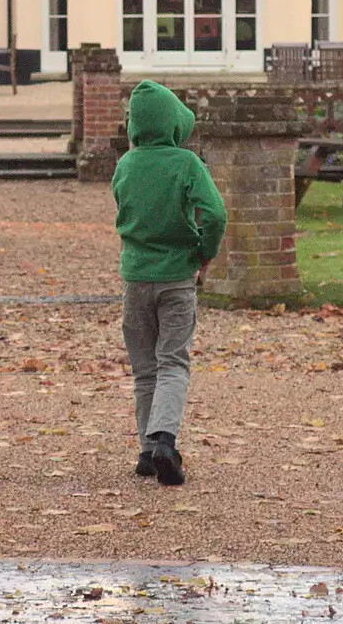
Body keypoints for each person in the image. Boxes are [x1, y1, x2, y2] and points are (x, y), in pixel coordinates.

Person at [111, 80, 226, 486]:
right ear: (175, 122)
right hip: (177, 277)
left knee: (144, 368)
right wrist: (202, 252)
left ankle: (145, 449)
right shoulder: (186, 163)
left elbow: (122, 208)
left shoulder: (126, 164)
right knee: (173, 362)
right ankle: (164, 439)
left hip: (135, 277)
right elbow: (214, 214)